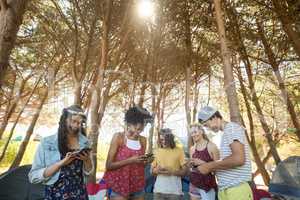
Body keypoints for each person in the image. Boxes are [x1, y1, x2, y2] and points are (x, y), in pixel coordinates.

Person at [29, 105, 93, 200]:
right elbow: (33, 176)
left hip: (80, 194)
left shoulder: (85, 142)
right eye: (74, 121)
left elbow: (88, 172)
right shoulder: (47, 143)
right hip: (55, 195)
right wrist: (61, 163)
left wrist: (87, 160)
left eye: (80, 123)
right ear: (65, 120)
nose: (76, 125)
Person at [197, 106, 253, 200]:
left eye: (206, 125)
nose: (207, 129)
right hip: (226, 190)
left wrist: (209, 166)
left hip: (236, 191)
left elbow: (239, 159)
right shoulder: (227, 132)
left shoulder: (232, 128)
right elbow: (227, 161)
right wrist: (205, 165)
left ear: (214, 117)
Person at [103, 106, 153, 200]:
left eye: (142, 129)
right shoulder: (119, 138)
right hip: (119, 186)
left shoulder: (143, 140)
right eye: (137, 128)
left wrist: (147, 161)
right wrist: (130, 160)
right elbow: (109, 165)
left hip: (138, 186)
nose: (139, 132)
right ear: (129, 124)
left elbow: (140, 164)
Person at [151, 128, 187, 200]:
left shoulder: (179, 150)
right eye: (161, 140)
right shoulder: (156, 151)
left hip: (174, 192)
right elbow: (152, 171)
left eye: (166, 140)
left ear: (171, 139)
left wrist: (172, 172)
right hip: (158, 191)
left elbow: (185, 171)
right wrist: (156, 170)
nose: (163, 142)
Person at [188, 124, 219, 200]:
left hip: (207, 186)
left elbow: (218, 169)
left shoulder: (212, 146)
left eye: (195, 132)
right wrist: (190, 165)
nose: (193, 135)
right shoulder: (192, 149)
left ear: (201, 131)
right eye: (191, 133)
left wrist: (202, 163)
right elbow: (193, 168)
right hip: (194, 184)